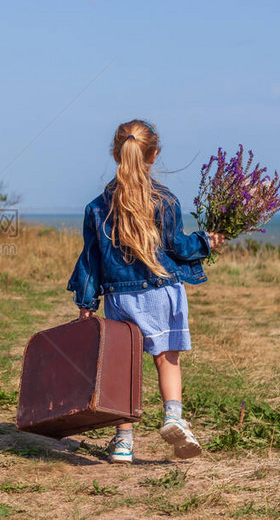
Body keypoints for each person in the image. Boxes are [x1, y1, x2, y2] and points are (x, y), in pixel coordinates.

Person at [66, 119, 225, 464]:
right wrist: (206, 243)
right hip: (164, 290)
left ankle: (123, 442)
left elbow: (90, 261)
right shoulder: (164, 200)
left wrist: (86, 303)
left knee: (124, 367)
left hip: (121, 299)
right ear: (153, 156)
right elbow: (179, 246)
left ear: (115, 154)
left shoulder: (97, 207)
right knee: (167, 359)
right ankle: (173, 417)